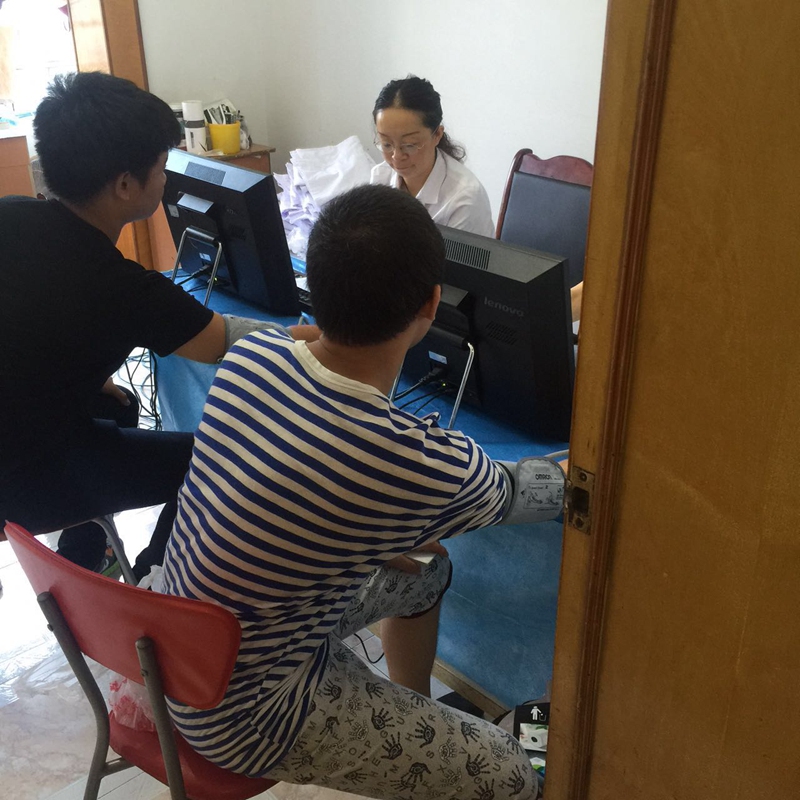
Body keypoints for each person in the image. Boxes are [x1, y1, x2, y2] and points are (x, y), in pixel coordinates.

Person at [161, 184, 566, 799]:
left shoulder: (253, 355)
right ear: (432, 304)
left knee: (426, 569)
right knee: (509, 773)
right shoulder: (406, 458)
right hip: (243, 710)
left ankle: (414, 723)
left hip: (185, 645)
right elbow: (536, 492)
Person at [0, 71, 308, 580]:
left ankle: (84, 557)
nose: (166, 181)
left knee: (118, 405)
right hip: (18, 480)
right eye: (162, 168)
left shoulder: (10, 215)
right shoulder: (120, 288)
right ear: (125, 184)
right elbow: (226, 342)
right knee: (213, 460)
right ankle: (153, 582)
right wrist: (339, 333)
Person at [370, 75, 495, 236]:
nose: (396, 156)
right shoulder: (380, 177)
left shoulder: (464, 198)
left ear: (437, 135)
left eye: (409, 145)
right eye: (386, 144)